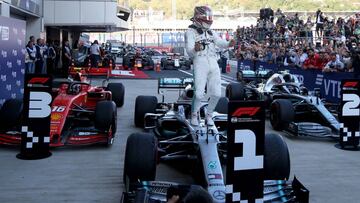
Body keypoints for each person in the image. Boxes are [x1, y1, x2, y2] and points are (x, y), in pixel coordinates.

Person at [185, 6, 235, 126]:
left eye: (209, 18)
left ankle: (209, 114)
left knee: (217, 93)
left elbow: (220, 42)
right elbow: (189, 52)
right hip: (200, 61)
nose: (209, 20)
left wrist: (229, 43)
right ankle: (194, 114)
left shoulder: (212, 32)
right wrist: (195, 49)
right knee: (199, 93)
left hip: (213, 61)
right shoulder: (190, 32)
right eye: (205, 18)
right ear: (198, 18)